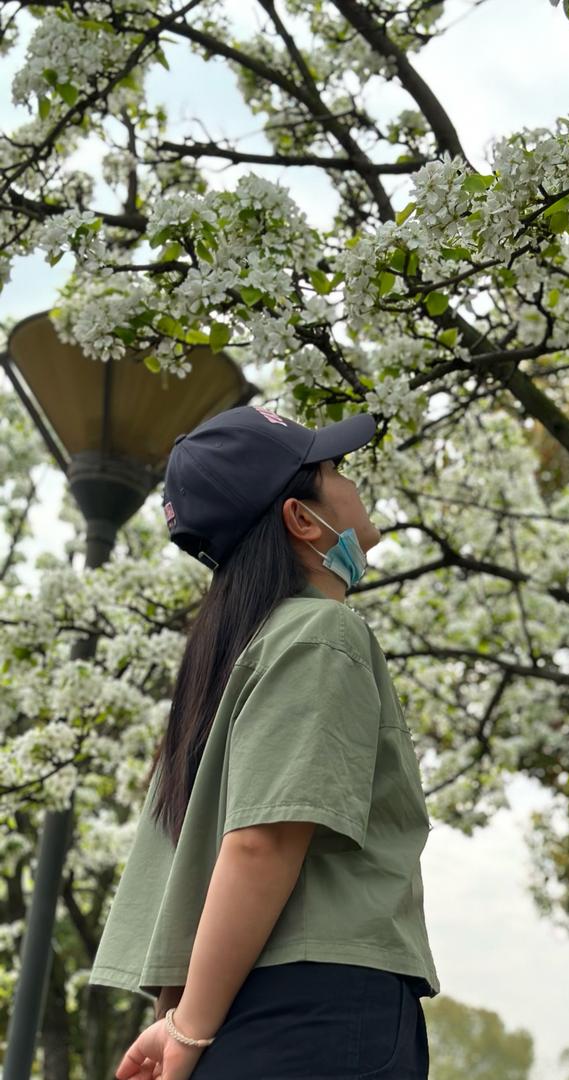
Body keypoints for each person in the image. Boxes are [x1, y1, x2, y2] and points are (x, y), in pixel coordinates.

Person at [87, 404, 438, 1080]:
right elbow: (263, 842)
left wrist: (181, 1023)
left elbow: (192, 871)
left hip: (245, 1016)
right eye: (334, 469)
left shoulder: (221, 666)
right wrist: (188, 1036)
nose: (350, 481)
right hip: (324, 1013)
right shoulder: (319, 635)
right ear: (302, 520)